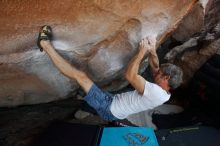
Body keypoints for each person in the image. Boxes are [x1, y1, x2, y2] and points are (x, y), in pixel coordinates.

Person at [37, 25, 183, 121]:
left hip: (109, 108)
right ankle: (86, 99)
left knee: (80, 76)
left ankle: (45, 44)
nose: (156, 72)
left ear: (167, 78)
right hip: (115, 105)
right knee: (97, 91)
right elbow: (156, 67)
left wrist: (141, 51)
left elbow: (130, 75)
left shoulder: (156, 93)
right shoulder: (165, 93)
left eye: (160, 74)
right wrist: (152, 49)